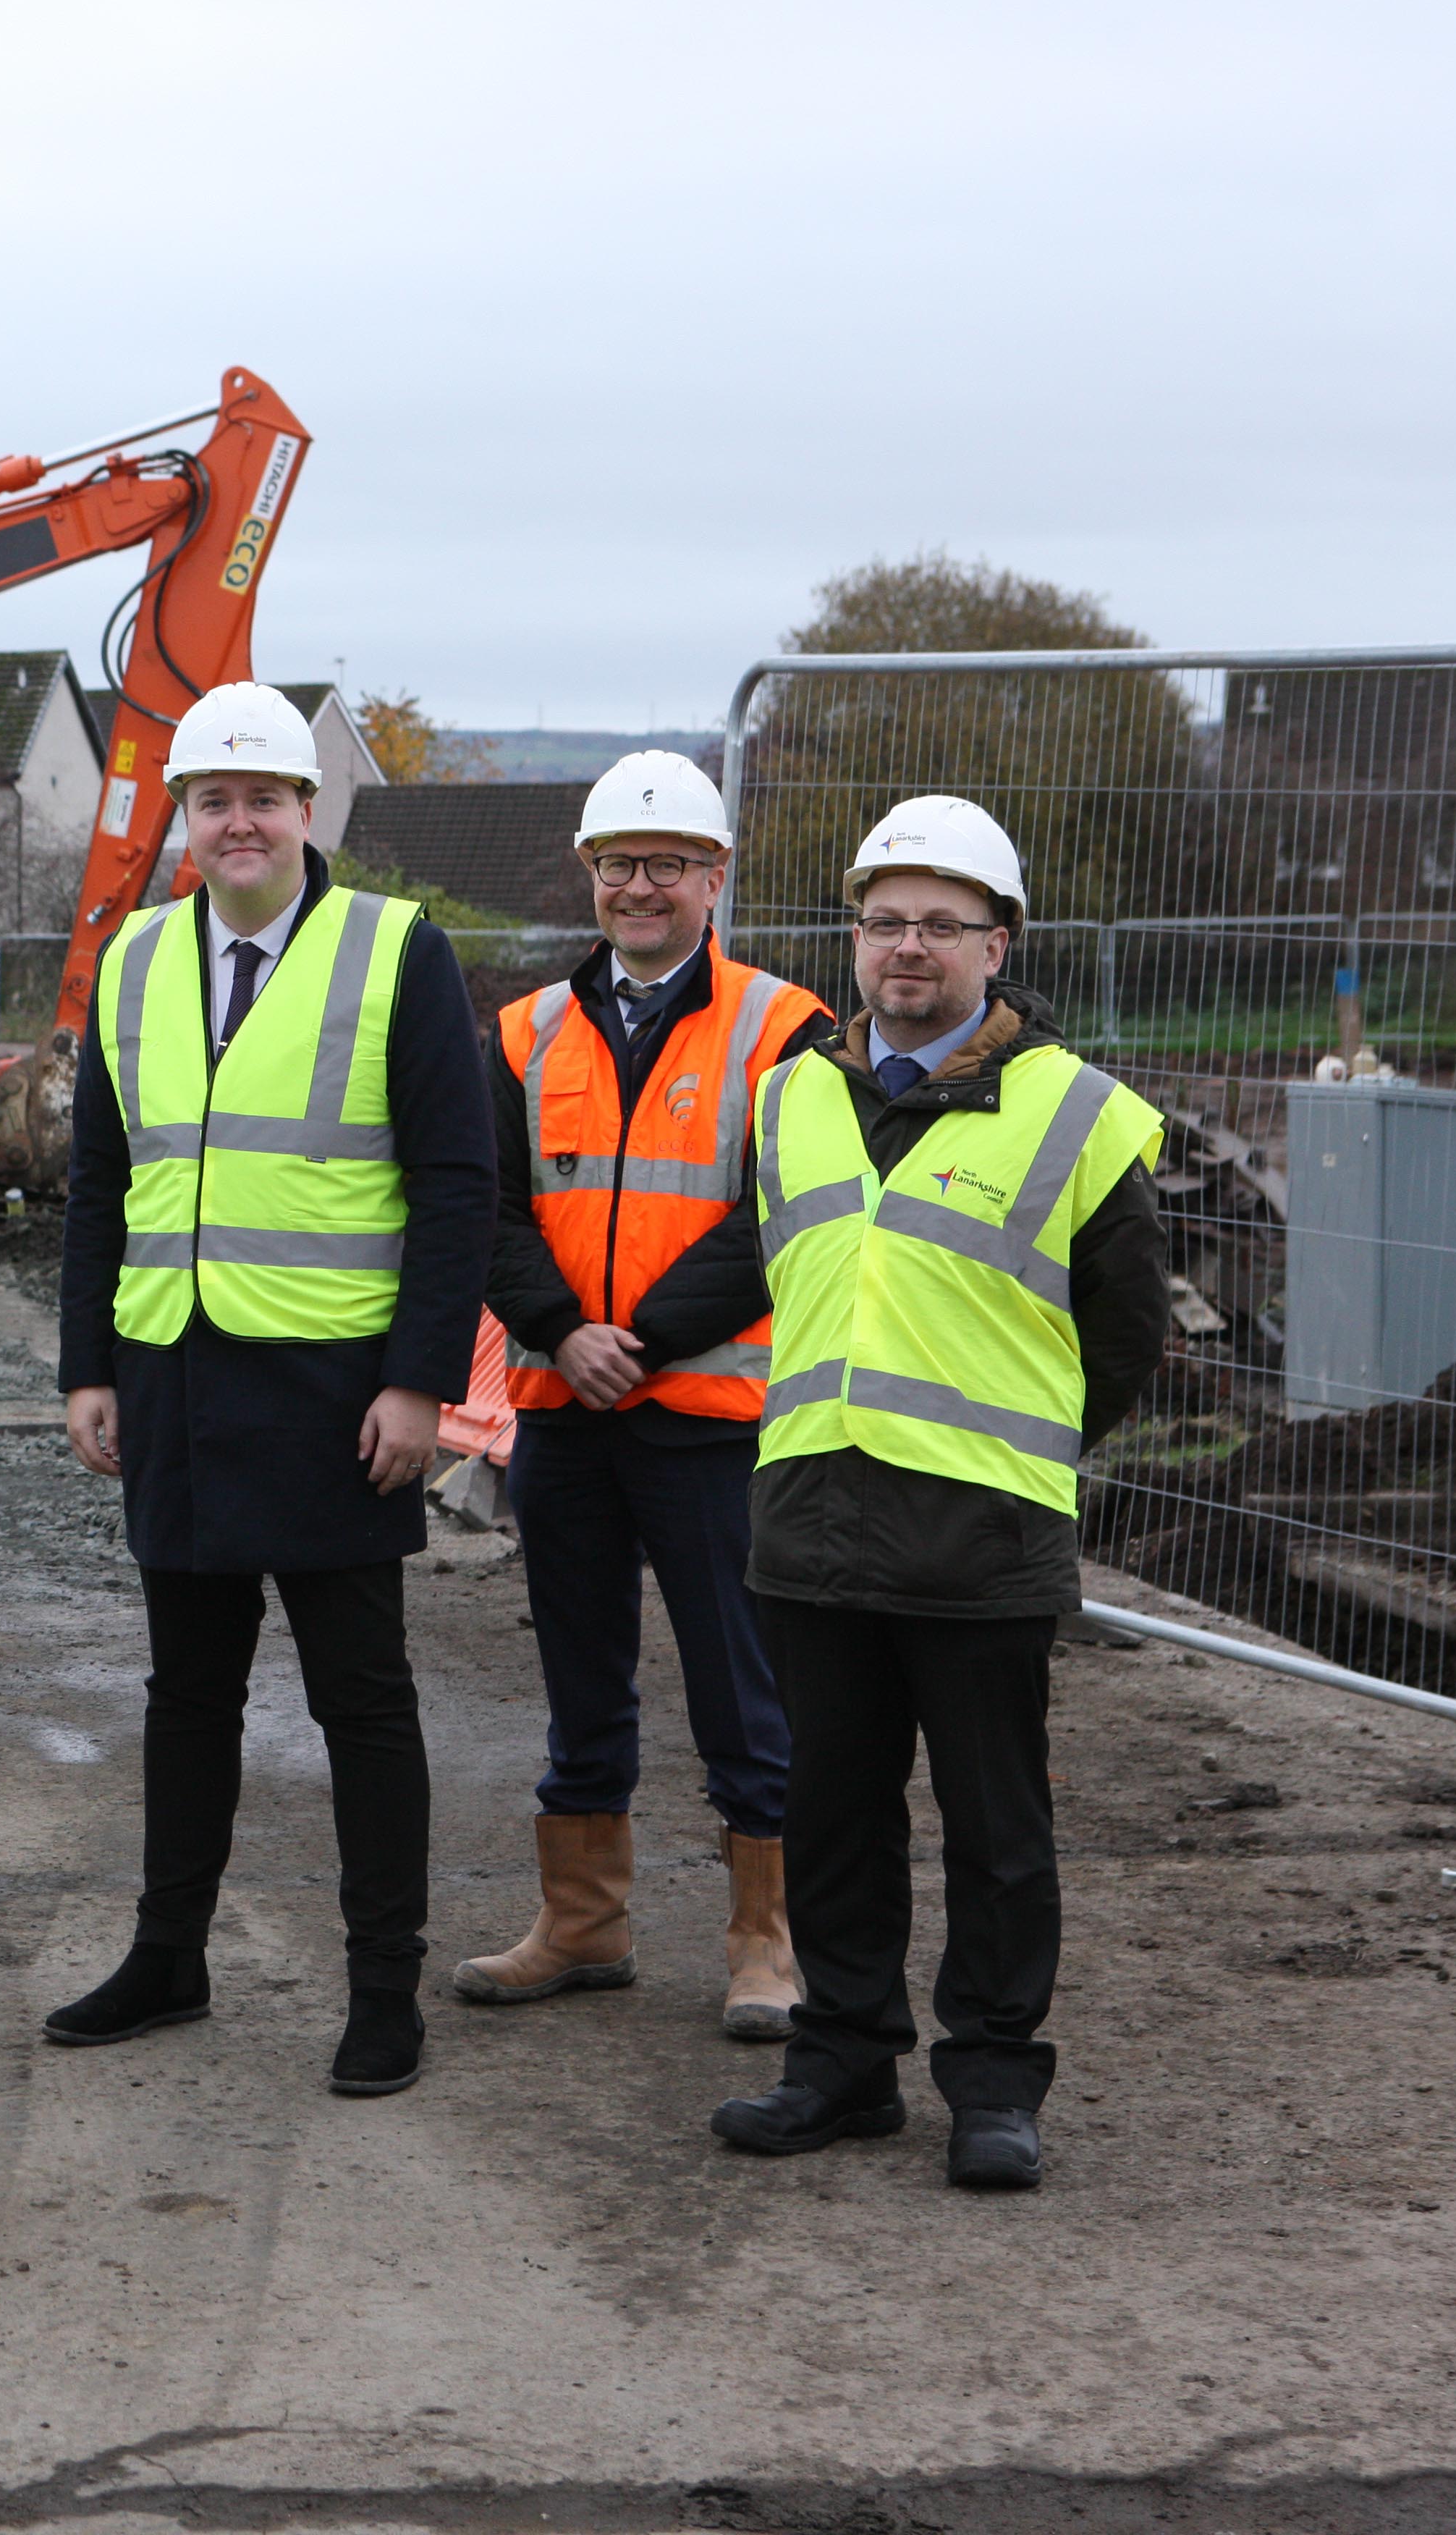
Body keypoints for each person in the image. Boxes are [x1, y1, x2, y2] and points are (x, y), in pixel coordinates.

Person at [47, 680, 497, 2096]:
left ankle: (384, 1994)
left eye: (265, 796)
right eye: (214, 798)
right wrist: (88, 1368)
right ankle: (168, 1956)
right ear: (185, 819)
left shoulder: (394, 951)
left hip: (334, 1395)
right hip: (172, 1380)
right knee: (187, 1693)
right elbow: (104, 1186)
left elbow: (455, 1182)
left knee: (362, 1701)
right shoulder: (131, 961)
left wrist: (423, 1385)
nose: (239, 821)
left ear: (311, 812)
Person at [712, 796, 1165, 2193]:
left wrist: (1020, 1447)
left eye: (941, 924)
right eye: (886, 920)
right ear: (855, 938)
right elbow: (768, 1271)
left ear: (998, 943)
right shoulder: (792, 1092)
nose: (909, 948)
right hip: (813, 1523)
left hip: (980, 1536)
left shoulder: (1079, 1113)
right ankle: (842, 2064)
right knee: (835, 1818)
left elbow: (1126, 1333)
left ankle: (991, 2083)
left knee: (996, 1832)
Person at [459, 754, 823, 2040]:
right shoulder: (521, 1031)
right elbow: (487, 1208)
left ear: (715, 876)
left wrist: (647, 1336)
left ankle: (766, 1937)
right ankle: (584, 1922)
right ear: (590, 872)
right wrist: (562, 1328)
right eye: (619, 861)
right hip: (563, 1407)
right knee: (578, 1668)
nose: (641, 883)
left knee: (740, 1677)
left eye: (669, 861)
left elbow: (784, 1206)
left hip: (708, 1416)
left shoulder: (786, 1027)